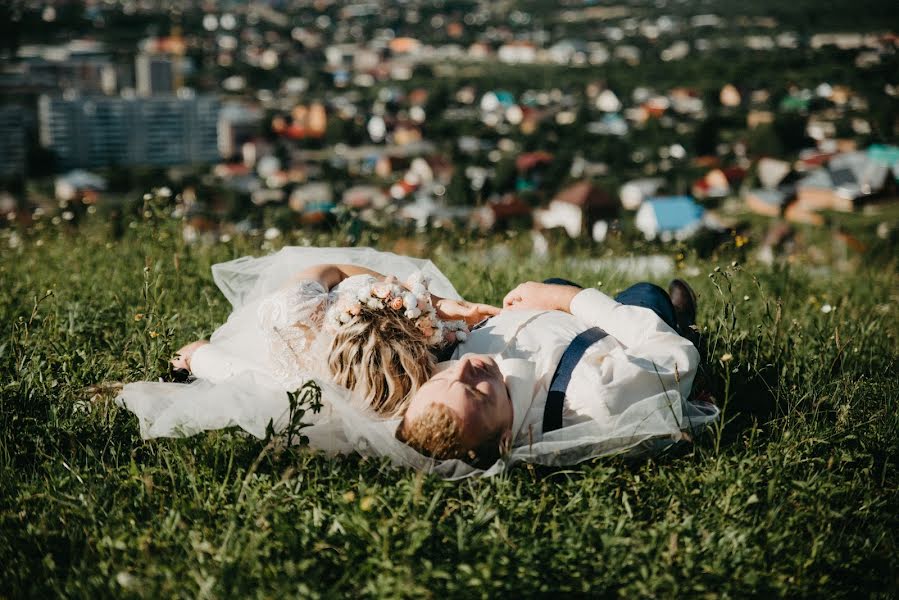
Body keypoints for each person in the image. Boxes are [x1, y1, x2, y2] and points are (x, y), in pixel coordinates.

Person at [395, 278, 718, 470]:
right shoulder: (595, 398)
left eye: (442, 377)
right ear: (506, 439)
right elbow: (673, 358)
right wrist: (566, 300)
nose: (465, 367)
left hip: (545, 319)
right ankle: (681, 321)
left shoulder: (458, 380)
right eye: (476, 391)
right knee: (647, 294)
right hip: (617, 330)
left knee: (552, 282)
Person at [169, 259, 499, 418]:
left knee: (212, 362)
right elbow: (337, 271)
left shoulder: (294, 308)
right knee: (208, 359)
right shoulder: (418, 362)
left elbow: (334, 270)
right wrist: (435, 307)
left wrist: (435, 305)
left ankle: (191, 357)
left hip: (287, 360)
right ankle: (192, 356)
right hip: (284, 355)